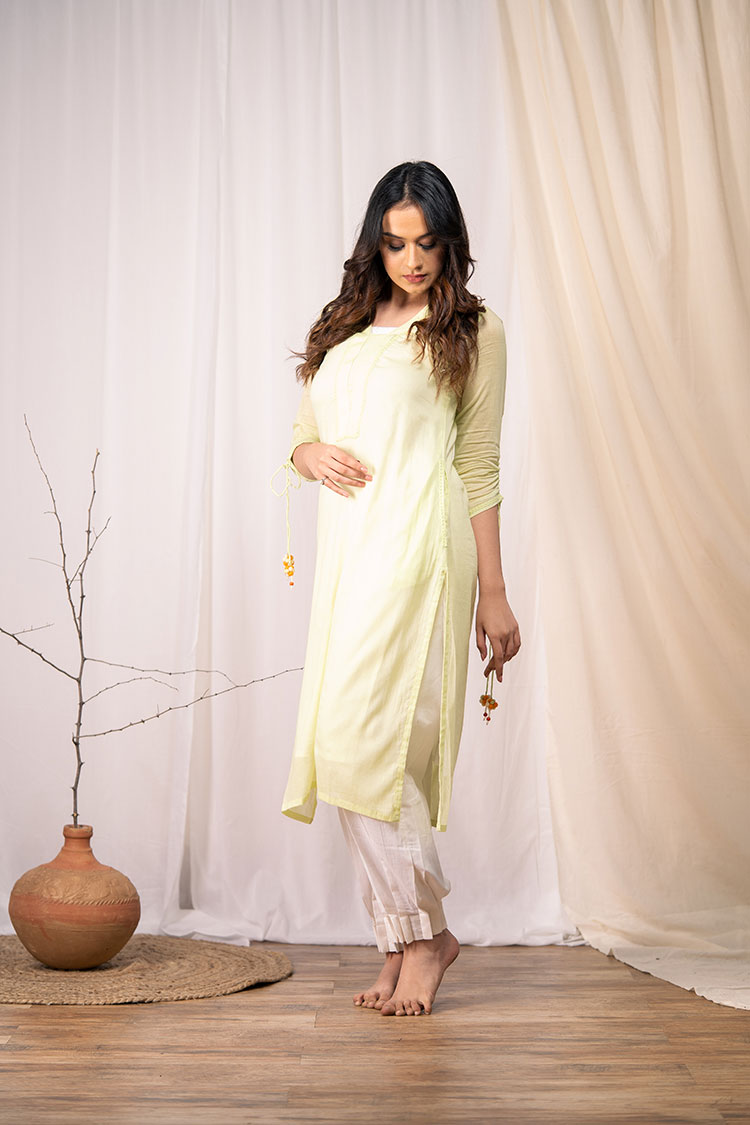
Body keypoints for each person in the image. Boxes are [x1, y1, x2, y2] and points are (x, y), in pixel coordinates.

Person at [280, 161, 520, 1015]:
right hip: (351, 558)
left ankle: (425, 939)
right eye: (395, 243)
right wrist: (307, 454)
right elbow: (305, 434)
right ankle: (400, 936)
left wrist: (495, 592)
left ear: (450, 242)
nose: (412, 260)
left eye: (427, 243)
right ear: (374, 244)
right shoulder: (345, 323)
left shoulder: (474, 331)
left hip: (422, 549)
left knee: (375, 745)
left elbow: (479, 464)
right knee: (341, 744)